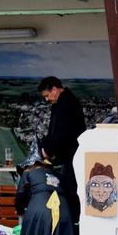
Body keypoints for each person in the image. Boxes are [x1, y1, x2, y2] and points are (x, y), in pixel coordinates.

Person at [37, 76, 86, 223]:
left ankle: (72, 222)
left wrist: (48, 149)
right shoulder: (63, 102)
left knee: (69, 189)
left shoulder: (67, 104)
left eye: (47, 95)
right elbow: (55, 131)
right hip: (69, 154)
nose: (46, 99)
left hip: (71, 154)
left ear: (55, 89)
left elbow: (63, 133)